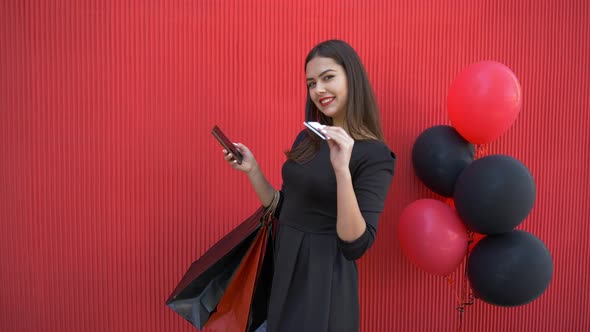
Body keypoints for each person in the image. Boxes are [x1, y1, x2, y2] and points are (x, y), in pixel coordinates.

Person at [221, 40, 396, 332]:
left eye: (328, 77)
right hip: (285, 266)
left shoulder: (376, 155)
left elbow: (355, 245)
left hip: (322, 283)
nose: (318, 90)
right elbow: (283, 207)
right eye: (311, 83)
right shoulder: (308, 139)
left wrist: (341, 169)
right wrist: (253, 170)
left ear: (352, 77)